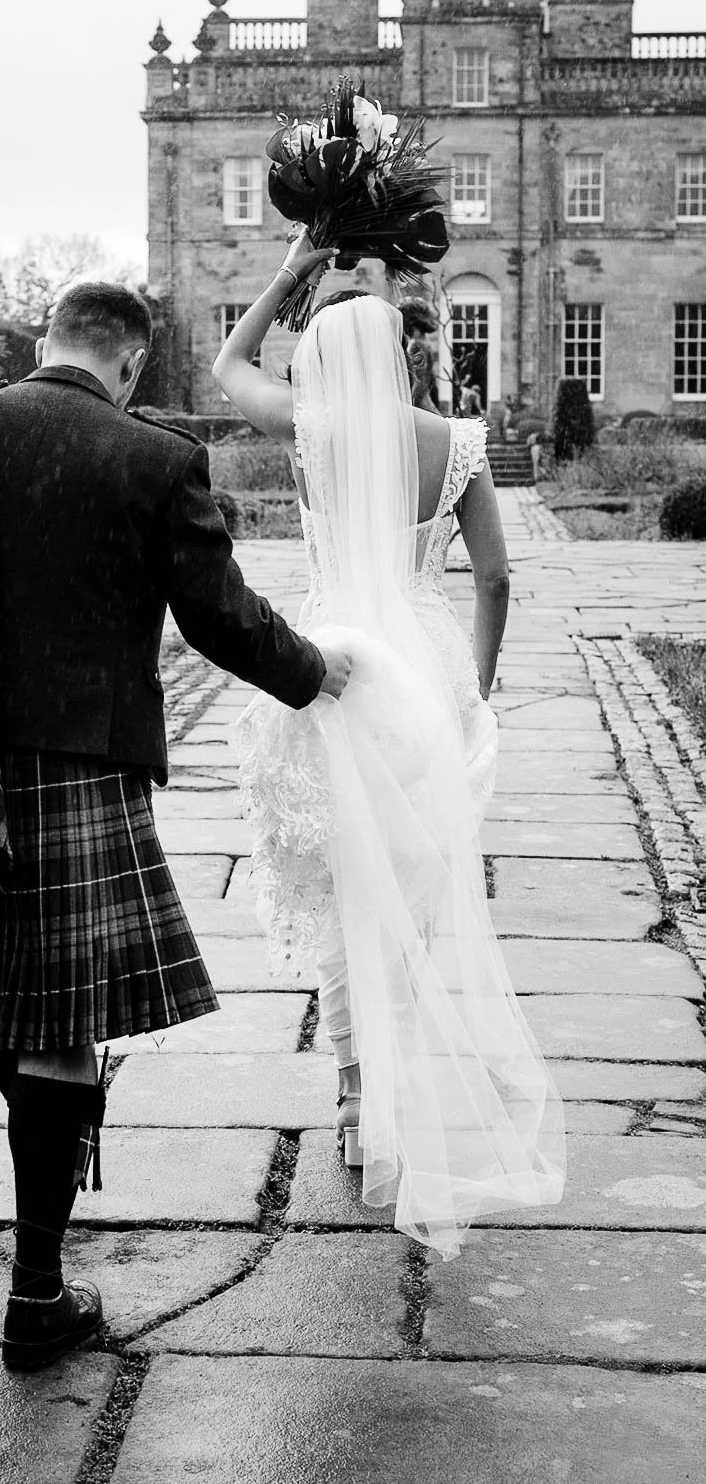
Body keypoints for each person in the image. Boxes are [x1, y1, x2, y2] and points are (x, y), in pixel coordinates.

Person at [0, 281, 354, 1368]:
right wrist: (316, 672)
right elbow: (220, 619)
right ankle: (36, 1293)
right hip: (73, 767)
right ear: (130, 363)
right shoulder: (153, 455)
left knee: (6, 1006)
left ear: (45, 341)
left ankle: (42, 1254)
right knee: (55, 1032)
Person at [212, 230, 565, 1260]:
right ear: (402, 355)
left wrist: (292, 269)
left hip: (330, 668)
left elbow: (231, 364)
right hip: (423, 672)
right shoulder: (456, 443)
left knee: (340, 891)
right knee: (410, 889)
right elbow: (495, 577)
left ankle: (357, 1100)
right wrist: (477, 683)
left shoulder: (309, 431)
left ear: (325, 360)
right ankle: (398, 1093)